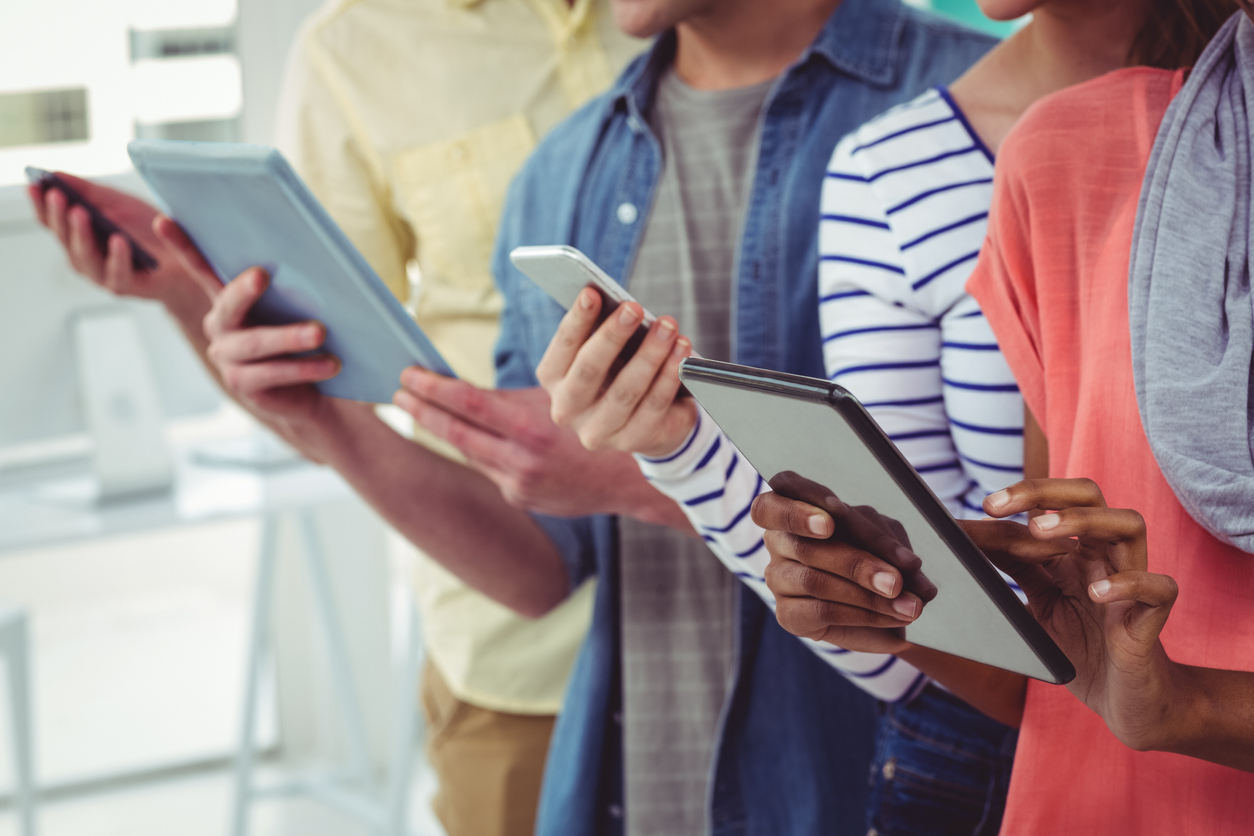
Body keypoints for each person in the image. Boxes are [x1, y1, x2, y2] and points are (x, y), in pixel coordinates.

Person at [533, 1, 1234, 832]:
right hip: (1034, 765)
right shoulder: (984, 162)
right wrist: (678, 448)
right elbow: (953, 626)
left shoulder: (1122, 136)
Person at [30, 2, 644, 835]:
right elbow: (321, 379)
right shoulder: (352, 51)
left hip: (768, 620)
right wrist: (184, 290)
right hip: (521, 649)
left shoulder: (695, 21)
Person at [388, 1, 995, 834]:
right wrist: (316, 420)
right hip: (635, 793)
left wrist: (648, 470)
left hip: (870, 788)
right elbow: (543, 572)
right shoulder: (559, 173)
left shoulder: (975, 112)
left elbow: (1013, 582)